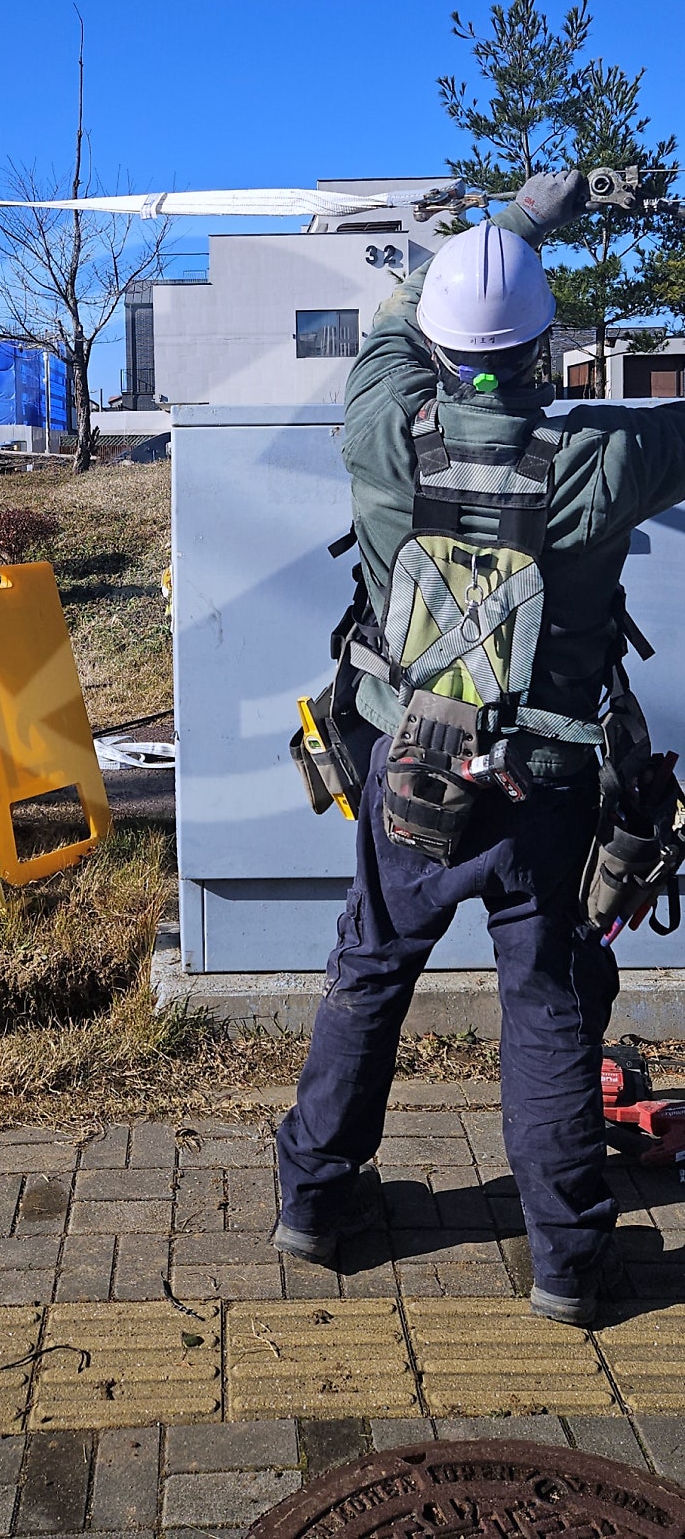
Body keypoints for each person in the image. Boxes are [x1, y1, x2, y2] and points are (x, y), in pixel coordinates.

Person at [275, 170, 685, 1325]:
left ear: (444, 356)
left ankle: (313, 1197)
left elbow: (405, 320)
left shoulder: (377, 431)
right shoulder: (605, 462)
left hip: (410, 773)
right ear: (550, 349)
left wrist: (512, 220)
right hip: (547, 791)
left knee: (371, 964)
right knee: (547, 1002)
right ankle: (566, 1262)